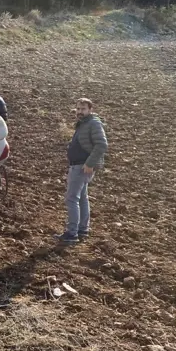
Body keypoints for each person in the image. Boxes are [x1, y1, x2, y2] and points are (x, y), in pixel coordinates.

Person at [57, 97, 108, 244]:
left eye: (83, 109)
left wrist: (90, 163)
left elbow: (102, 145)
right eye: (78, 109)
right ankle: (82, 229)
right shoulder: (83, 124)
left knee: (72, 198)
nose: (80, 112)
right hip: (80, 165)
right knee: (82, 198)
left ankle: (72, 234)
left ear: (90, 110)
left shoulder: (93, 123)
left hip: (82, 166)